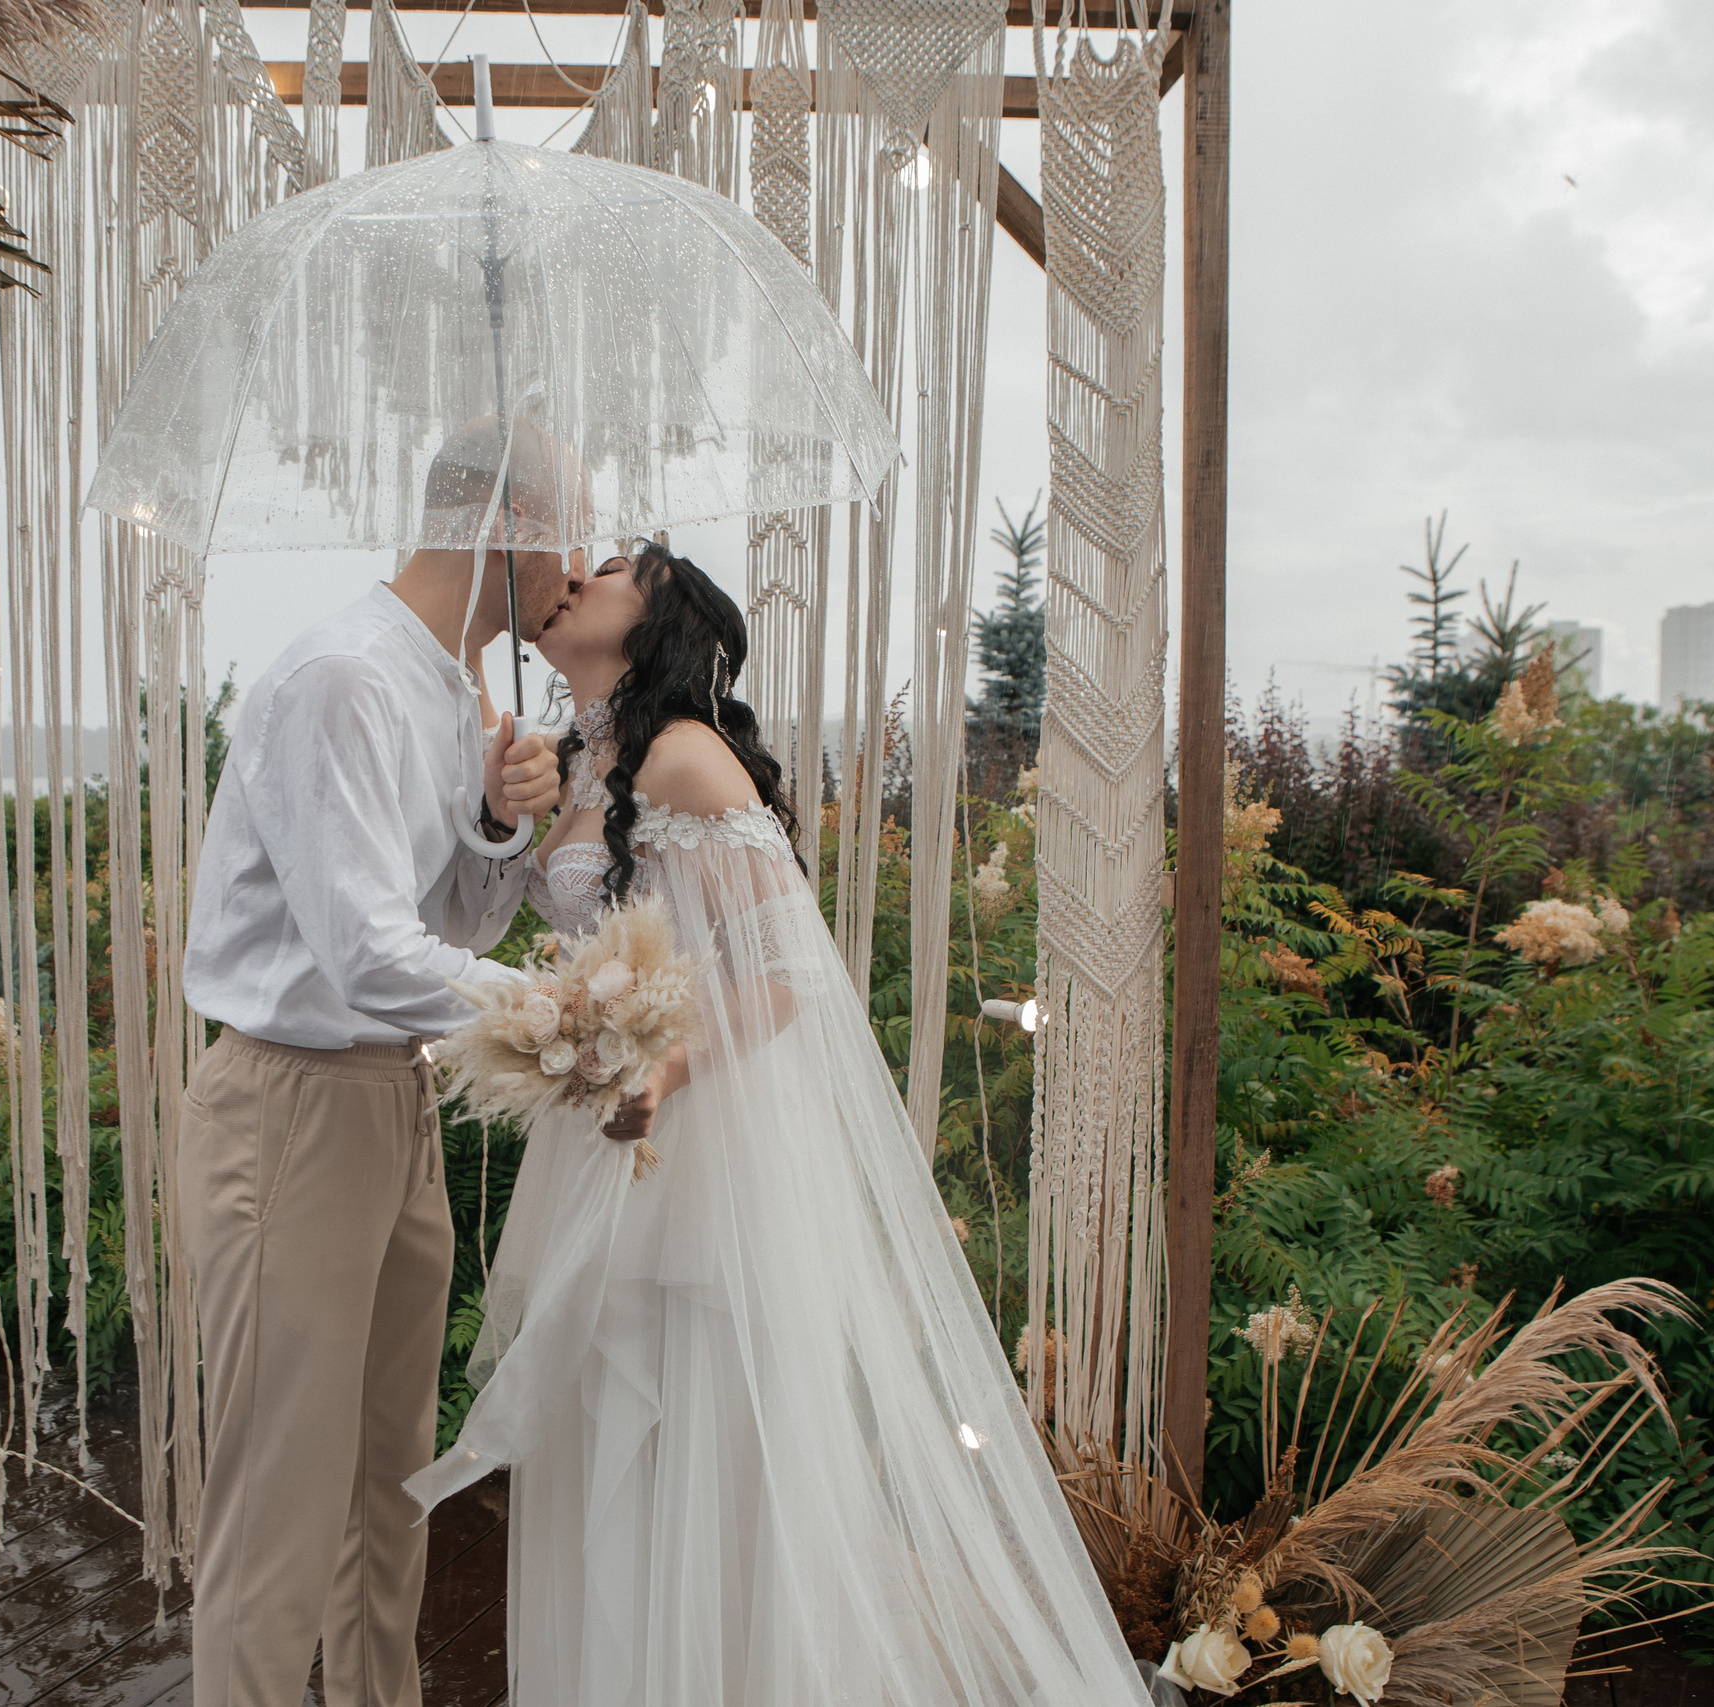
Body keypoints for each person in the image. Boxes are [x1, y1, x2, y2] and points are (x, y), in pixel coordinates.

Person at [404, 546, 1153, 1706]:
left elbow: (786, 975)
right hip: (595, 1144)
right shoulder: (572, 760)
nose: (575, 578)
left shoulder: (687, 757)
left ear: (655, 624)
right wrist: (510, 827)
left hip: (695, 1156)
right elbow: (514, 920)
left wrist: (665, 1072)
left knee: (693, 1453)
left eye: (611, 571)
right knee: (604, 1445)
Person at [180, 418, 582, 1707]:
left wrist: (502, 824)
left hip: (390, 1104)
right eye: (563, 532)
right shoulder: (341, 677)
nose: (571, 571)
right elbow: (364, 955)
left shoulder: (452, 687)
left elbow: (453, 925)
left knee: (389, 1492)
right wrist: (581, 1013)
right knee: (278, 1520)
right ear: (505, 521)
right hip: (291, 1114)